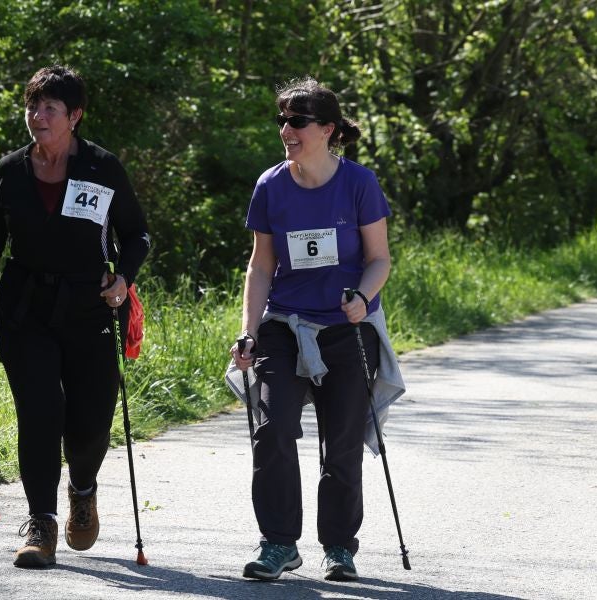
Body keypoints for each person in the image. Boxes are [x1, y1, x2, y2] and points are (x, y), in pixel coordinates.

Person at [0, 65, 150, 569]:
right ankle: (41, 522)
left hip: (89, 308)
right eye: (32, 106)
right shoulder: (10, 171)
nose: (37, 116)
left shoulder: (102, 168)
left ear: (75, 116)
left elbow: (137, 236)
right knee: (40, 412)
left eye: (49, 109)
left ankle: (82, 488)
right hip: (26, 308)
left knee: (90, 424)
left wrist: (123, 279)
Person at [228, 76, 404, 582]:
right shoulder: (270, 186)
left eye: (297, 120)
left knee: (343, 441)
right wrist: (250, 331)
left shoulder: (359, 184)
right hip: (284, 324)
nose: (286, 129)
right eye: (282, 119)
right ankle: (278, 543)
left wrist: (362, 297)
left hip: (347, 328)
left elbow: (379, 260)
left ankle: (339, 547)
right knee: (273, 429)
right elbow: (261, 266)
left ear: (328, 130)